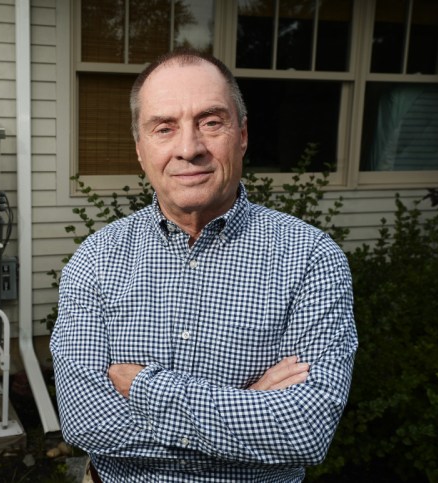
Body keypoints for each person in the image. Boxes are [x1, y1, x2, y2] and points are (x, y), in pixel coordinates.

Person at [50, 48, 358, 482]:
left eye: (211, 122)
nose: (189, 148)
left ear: (243, 135)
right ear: (140, 150)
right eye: (164, 128)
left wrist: (144, 389)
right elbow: (86, 421)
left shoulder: (310, 258)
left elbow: (305, 429)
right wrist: (245, 404)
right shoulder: (97, 259)